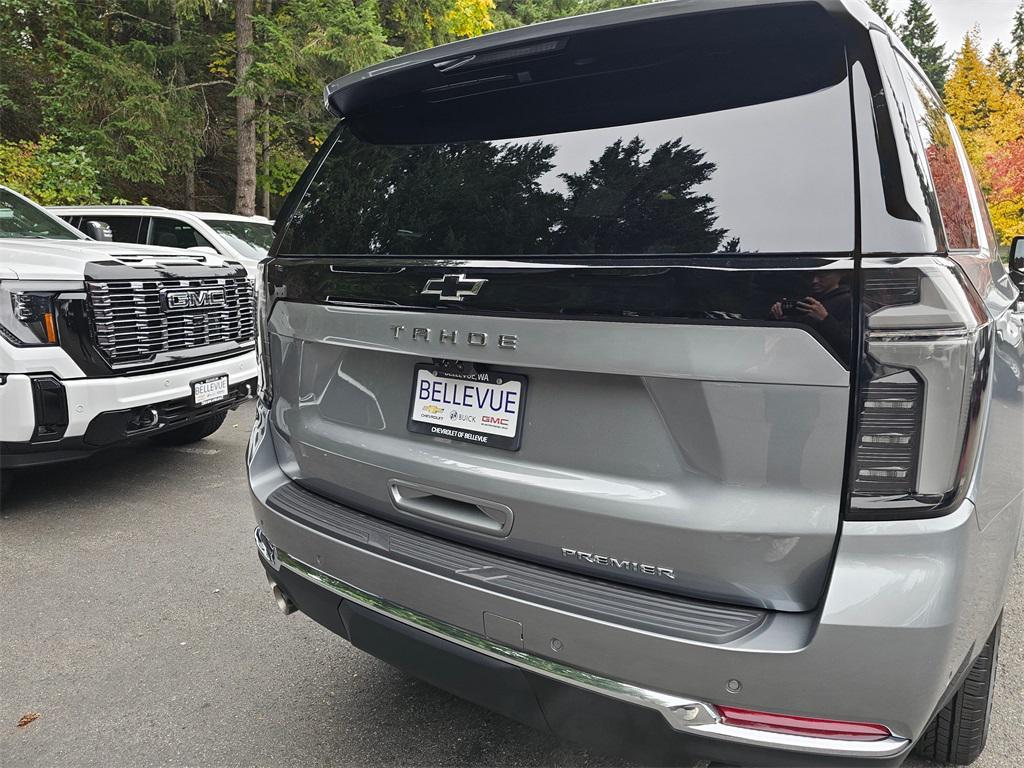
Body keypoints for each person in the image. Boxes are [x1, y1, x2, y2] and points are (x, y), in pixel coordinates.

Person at [769, 271, 852, 359]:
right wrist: (779, 318)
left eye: (822, 276)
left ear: (840, 274)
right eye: (811, 276)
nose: (814, 281)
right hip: (797, 359)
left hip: (830, 362)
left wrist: (825, 319)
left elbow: (850, 346)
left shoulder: (850, 303)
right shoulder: (805, 299)